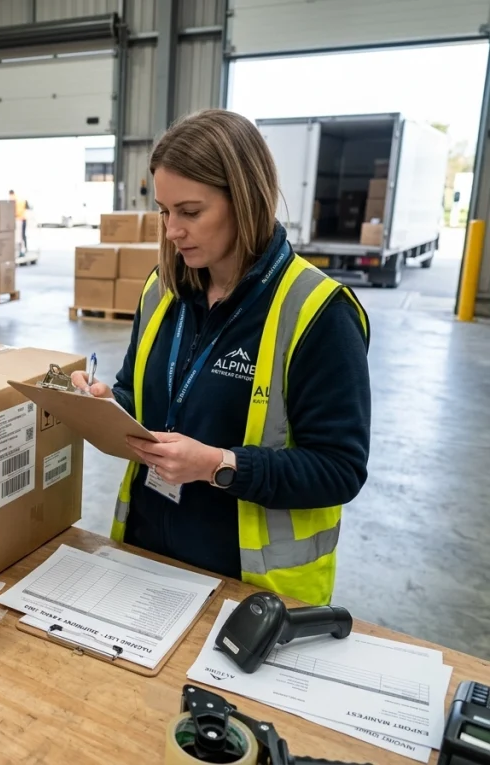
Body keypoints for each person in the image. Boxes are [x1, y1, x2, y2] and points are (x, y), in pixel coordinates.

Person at [71, 110, 371, 606]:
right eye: (164, 211)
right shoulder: (162, 291)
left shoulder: (319, 313)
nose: (172, 231)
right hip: (148, 558)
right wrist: (107, 402)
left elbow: (339, 469)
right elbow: (138, 391)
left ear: (246, 200)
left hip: (249, 589)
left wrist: (218, 465)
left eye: (190, 212)